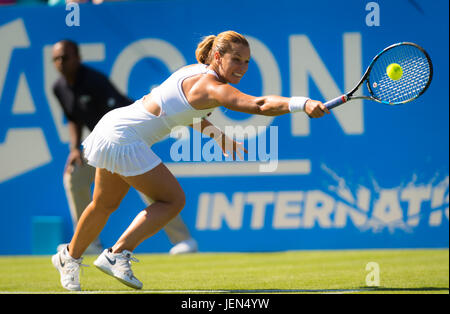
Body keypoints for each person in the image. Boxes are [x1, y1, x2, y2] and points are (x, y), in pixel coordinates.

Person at [52, 31, 329, 291]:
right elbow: (258, 105)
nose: (242, 68)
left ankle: (69, 257)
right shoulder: (212, 86)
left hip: (114, 126)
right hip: (125, 137)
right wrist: (301, 103)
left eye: (246, 61)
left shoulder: (195, 72)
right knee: (172, 200)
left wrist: (217, 135)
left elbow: (185, 111)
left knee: (103, 204)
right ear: (218, 57)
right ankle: (117, 253)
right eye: (236, 60)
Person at [51, 40, 198, 256]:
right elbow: (73, 118)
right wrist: (74, 148)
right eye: (56, 59)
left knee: (151, 189)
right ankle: (87, 244)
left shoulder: (94, 81)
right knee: (75, 178)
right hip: (101, 143)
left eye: (65, 57)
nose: (60, 62)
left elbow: (121, 114)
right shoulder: (59, 87)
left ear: (78, 58)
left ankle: (183, 241)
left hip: (128, 137)